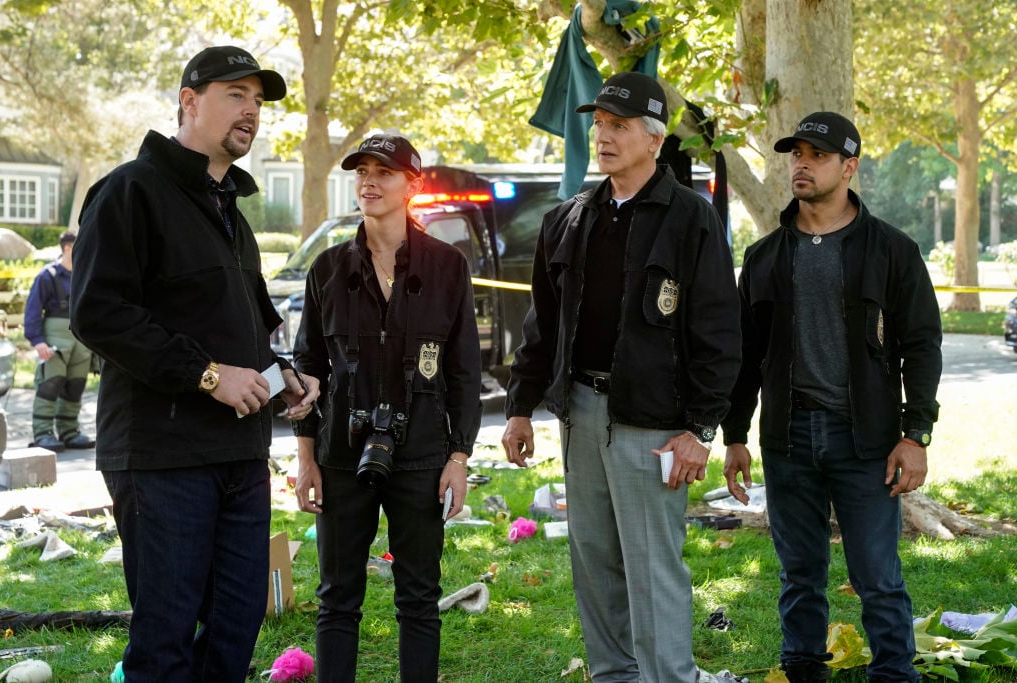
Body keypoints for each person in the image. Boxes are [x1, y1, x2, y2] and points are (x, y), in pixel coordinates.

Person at [70, 45, 319, 683]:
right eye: (236, 95)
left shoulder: (229, 208)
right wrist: (208, 374)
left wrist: (279, 373)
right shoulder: (129, 190)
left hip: (239, 453)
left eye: (258, 101)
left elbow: (245, 323)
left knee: (237, 623)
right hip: (162, 457)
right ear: (189, 101)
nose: (252, 112)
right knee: (167, 633)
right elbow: (98, 314)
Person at [501, 72, 742, 683]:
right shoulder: (569, 218)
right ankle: (612, 676)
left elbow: (718, 333)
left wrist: (700, 429)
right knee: (595, 563)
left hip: (654, 423)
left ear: (655, 139)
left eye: (620, 126)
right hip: (579, 414)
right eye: (599, 124)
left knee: (653, 569)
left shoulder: (691, 218)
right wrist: (521, 406)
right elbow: (543, 323)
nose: (603, 136)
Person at [721, 112, 942, 683]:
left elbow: (921, 346)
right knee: (799, 573)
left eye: (816, 155)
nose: (802, 163)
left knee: (878, 575)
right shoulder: (766, 255)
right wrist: (737, 435)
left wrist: (914, 435)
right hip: (788, 438)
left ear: (849, 167)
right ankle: (802, 671)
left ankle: (894, 674)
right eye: (795, 153)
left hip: (864, 439)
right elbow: (747, 355)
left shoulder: (893, 250)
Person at [292, 134, 483, 682]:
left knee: (419, 596)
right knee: (337, 598)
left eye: (384, 172)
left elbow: (463, 373)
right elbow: (308, 367)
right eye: (362, 172)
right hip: (339, 453)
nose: (369, 182)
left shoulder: (447, 266)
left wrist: (458, 456)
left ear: (412, 185)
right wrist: (306, 457)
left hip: (421, 450)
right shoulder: (327, 268)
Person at [23, 229, 94, 452]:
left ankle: (69, 431)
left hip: (80, 342)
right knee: (50, 384)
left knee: (75, 386)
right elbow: (32, 311)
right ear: (68, 248)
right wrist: (38, 341)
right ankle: (43, 432)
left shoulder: (85, 276)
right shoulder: (47, 275)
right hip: (55, 340)